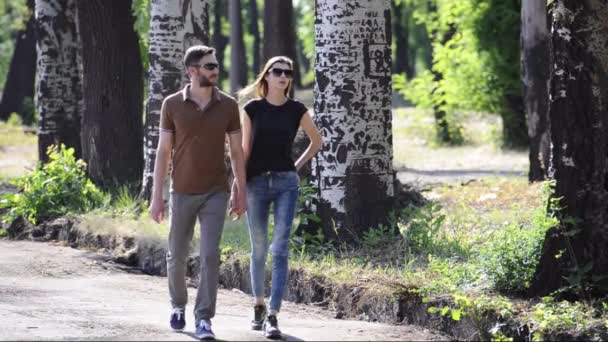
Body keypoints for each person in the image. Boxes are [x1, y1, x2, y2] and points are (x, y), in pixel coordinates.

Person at [149, 45, 247, 341]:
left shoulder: (229, 105)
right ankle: (178, 305)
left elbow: (238, 154)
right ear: (192, 71)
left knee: (209, 255)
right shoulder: (172, 104)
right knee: (176, 255)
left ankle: (204, 318)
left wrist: (241, 189)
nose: (215, 70)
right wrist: (157, 195)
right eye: (208, 66)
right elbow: (163, 152)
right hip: (182, 191)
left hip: (216, 191)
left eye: (216, 65)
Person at [236, 56, 322, 339]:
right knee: (259, 247)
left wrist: (296, 168)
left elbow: (317, 141)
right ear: (266, 77)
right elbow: (244, 150)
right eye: (278, 72)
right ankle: (259, 305)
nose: (284, 76)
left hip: (286, 183)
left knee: (280, 248)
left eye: (288, 73)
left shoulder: (297, 109)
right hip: (256, 183)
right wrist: (237, 185)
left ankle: (273, 314)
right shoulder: (252, 109)